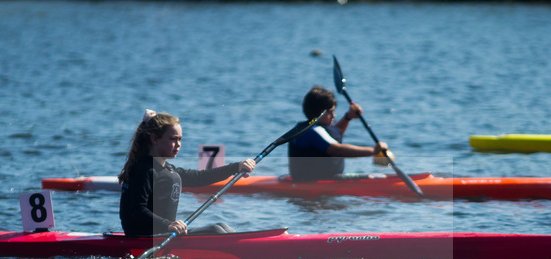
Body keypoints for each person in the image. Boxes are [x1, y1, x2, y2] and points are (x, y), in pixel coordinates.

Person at [118, 110, 256, 237]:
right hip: (146, 237)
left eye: (180, 139)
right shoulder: (144, 169)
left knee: (222, 226)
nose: (178, 144)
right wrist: (169, 224)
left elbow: (200, 178)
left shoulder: (167, 169)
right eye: (173, 139)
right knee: (217, 230)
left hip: (164, 234)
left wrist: (235, 168)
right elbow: (137, 210)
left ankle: (247, 245)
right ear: (154, 139)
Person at [288, 85, 390, 182]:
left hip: (319, 179)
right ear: (319, 112)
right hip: (315, 182)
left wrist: (348, 117)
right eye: (330, 112)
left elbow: (334, 135)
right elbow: (337, 149)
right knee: (376, 177)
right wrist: (373, 150)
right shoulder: (312, 132)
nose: (334, 115)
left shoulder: (310, 128)